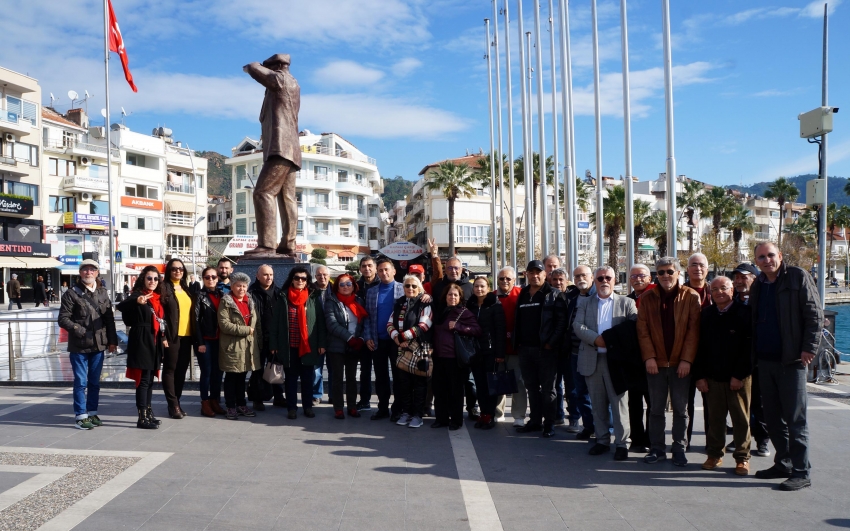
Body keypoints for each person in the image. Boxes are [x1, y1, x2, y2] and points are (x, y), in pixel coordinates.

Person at [750, 242, 822, 491]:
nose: (767, 260)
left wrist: (809, 347)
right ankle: (784, 463)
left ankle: (802, 471)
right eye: (761, 257)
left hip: (791, 361)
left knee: (795, 419)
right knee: (772, 418)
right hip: (765, 361)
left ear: (780, 256)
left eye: (771, 255)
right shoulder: (759, 283)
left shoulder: (796, 276)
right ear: (756, 260)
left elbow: (814, 313)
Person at [637, 256, 701, 466]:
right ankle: (657, 448)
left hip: (680, 364)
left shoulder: (690, 297)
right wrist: (649, 357)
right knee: (655, 409)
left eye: (669, 271)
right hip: (655, 364)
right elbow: (643, 331)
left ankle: (679, 448)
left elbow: (693, 332)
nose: (665, 276)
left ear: (678, 273)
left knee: (681, 410)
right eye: (661, 272)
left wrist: (686, 360)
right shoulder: (647, 298)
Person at [574, 266, 638, 460]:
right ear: (594, 280)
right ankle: (602, 440)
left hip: (616, 363)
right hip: (592, 359)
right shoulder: (585, 303)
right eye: (600, 278)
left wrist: (609, 340)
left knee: (619, 405)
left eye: (608, 278)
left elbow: (633, 327)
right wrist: (596, 339)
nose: (604, 281)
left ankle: (622, 443)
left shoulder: (627, 303)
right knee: (598, 404)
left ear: (614, 280)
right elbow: (578, 326)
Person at [693, 276, 753, 475]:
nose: (719, 292)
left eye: (724, 288)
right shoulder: (706, 314)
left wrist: (739, 375)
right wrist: (699, 376)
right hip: (711, 377)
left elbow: (750, 349)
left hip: (738, 378)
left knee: (741, 419)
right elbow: (698, 348)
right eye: (715, 289)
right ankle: (715, 454)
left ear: (732, 290)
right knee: (715, 419)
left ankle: (742, 458)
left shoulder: (745, 313)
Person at [57, 260, 118, 429]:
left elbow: (109, 320)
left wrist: (112, 341)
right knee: (81, 381)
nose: (89, 272)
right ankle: (80, 415)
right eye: (85, 270)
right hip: (79, 346)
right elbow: (62, 319)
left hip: (98, 345)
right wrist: (78, 329)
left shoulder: (102, 293)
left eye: (92, 270)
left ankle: (92, 412)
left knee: (94, 382)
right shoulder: (71, 294)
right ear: (80, 273)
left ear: (97, 273)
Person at [514, 260, 567, 439]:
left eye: (539, 272)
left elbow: (562, 324)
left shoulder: (554, 295)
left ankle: (549, 424)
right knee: (531, 388)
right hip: (525, 350)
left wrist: (550, 343)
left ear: (546, 275)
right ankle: (535, 421)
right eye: (531, 272)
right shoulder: (522, 294)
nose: (535, 275)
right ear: (526, 274)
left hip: (546, 351)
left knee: (548, 390)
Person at [270, 266, 327, 419]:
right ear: (292, 279)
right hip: (288, 346)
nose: (300, 281)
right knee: (290, 379)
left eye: (303, 278)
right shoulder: (283, 297)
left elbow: (320, 323)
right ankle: (292, 408)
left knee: (308, 378)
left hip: (308, 346)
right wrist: (274, 345)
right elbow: (275, 323)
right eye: (297, 278)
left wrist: (322, 343)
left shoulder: (313, 297)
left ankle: (308, 406)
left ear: (307, 280)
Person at [118, 266, 167, 429]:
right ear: (143, 279)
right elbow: (122, 306)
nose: (152, 281)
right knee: (143, 380)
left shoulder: (157, 297)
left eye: (155, 278)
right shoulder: (138, 294)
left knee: (150, 379)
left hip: (154, 340)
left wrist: (164, 337)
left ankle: (148, 411)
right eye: (149, 278)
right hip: (141, 339)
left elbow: (160, 321)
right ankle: (142, 417)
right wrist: (137, 301)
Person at [430, 257, 478, 420]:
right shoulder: (440, 312)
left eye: (455, 295)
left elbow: (477, 330)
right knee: (439, 389)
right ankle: (441, 419)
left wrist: (458, 327)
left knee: (456, 390)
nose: (452, 297)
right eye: (449, 295)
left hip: (455, 357)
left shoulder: (464, 312)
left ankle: (457, 419)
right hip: (439, 356)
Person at [732, 261, 770, 457]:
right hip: (737, 361)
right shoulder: (731, 301)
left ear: (754, 278)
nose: (739, 281)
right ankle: (740, 437)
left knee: (759, 403)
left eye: (743, 277)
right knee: (738, 403)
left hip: (760, 361)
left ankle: (763, 440)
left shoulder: (762, 300)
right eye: (737, 277)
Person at [363, 257, 405, 421]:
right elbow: (367, 317)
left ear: (394, 271)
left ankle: (398, 409)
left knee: (398, 376)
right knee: (381, 377)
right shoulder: (372, 292)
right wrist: (367, 337)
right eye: (380, 270)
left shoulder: (403, 289)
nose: (384, 272)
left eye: (387, 269)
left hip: (397, 341)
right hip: (377, 340)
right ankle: (382, 408)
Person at [388, 275, 433, 428]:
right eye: (407, 286)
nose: (410, 289)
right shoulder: (400, 303)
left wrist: (403, 337)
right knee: (404, 383)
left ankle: (418, 415)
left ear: (420, 288)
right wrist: (396, 338)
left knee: (420, 384)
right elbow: (390, 323)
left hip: (419, 349)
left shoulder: (425, 303)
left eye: (414, 286)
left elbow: (424, 325)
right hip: (401, 350)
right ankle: (406, 412)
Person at [324, 273, 368, 419]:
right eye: (342, 284)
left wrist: (360, 338)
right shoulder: (331, 301)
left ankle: (352, 406)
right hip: (337, 345)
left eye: (348, 284)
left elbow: (363, 322)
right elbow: (331, 324)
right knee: (337, 377)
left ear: (354, 285)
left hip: (354, 346)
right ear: (337, 286)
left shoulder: (359, 301)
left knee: (351, 377)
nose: (345, 287)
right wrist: (349, 338)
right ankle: (338, 407)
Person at [217, 272, 261, 419]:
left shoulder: (250, 301)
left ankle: (241, 404)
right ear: (232, 286)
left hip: (248, 346)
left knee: (242, 377)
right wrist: (246, 330)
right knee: (231, 378)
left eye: (244, 286)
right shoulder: (226, 302)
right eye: (238, 286)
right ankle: (230, 406)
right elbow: (224, 325)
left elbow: (256, 324)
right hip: (232, 346)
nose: (241, 289)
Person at [160, 259, 197, 419]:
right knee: (170, 369)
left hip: (187, 336)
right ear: (169, 270)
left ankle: (177, 402)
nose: (178, 271)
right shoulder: (163, 288)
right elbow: (159, 314)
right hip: (172, 335)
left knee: (181, 371)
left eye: (181, 269)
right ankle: (173, 404)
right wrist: (163, 335)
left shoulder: (186, 289)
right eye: (174, 269)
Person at [467, 276, 505, 429]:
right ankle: (483, 414)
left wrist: (500, 354)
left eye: (482, 286)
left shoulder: (495, 305)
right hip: (475, 352)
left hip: (491, 352)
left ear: (488, 288)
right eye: (476, 286)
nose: (479, 289)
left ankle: (490, 415)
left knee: (491, 386)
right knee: (480, 385)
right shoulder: (470, 305)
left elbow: (500, 331)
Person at [564, 265, 596, 439]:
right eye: (576, 276)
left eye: (584, 275)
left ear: (592, 277)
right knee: (580, 393)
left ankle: (604, 429)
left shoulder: (598, 296)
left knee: (598, 393)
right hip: (575, 353)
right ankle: (589, 426)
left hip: (594, 352)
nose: (580, 279)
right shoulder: (572, 297)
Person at [626, 264, 654, 453]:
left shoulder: (657, 298)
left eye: (641, 275)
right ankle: (636, 439)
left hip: (653, 359)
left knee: (653, 403)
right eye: (634, 276)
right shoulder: (626, 301)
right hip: (633, 361)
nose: (637, 279)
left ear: (649, 278)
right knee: (634, 403)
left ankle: (652, 440)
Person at [248, 264, 284, 411]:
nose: (269, 277)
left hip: (275, 338)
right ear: (257, 276)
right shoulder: (251, 293)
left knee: (276, 366)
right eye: (265, 275)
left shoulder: (279, 293)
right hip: (258, 337)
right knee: (258, 368)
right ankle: (258, 398)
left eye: (271, 275)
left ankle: (279, 396)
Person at [193, 266, 226, 417]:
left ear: (218, 278)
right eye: (207, 277)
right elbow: (195, 321)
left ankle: (214, 400)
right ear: (203, 279)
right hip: (205, 340)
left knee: (218, 373)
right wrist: (199, 342)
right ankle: (204, 402)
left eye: (213, 277)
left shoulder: (222, 294)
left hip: (220, 340)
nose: (211, 279)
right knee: (206, 372)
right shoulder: (199, 296)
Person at [496, 266, 525, 426]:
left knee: (518, 382)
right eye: (502, 278)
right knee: (499, 380)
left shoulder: (522, 295)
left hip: (516, 348)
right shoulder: (491, 296)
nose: (505, 281)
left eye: (508, 278)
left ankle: (519, 415)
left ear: (514, 280)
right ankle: (498, 412)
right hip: (498, 348)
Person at [548, 268, 576, 429]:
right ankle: (558, 415)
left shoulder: (574, 297)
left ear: (566, 280)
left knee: (572, 387)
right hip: (553, 348)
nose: (558, 282)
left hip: (570, 349)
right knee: (555, 385)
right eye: (555, 279)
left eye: (561, 279)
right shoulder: (548, 297)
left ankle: (574, 417)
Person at [355, 256, 379, 411]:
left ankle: (386, 402)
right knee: (364, 370)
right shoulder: (356, 286)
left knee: (381, 370)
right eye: (364, 266)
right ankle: (364, 400)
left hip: (379, 334)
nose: (367, 268)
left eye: (370, 265)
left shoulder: (382, 283)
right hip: (361, 335)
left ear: (375, 268)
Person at [312, 265, 331, 405]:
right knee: (316, 369)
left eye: (324, 274)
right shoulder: (310, 291)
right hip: (316, 335)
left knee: (334, 368)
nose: (322, 277)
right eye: (319, 275)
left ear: (329, 276)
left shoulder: (336, 290)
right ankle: (317, 394)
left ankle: (333, 394)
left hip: (333, 335)